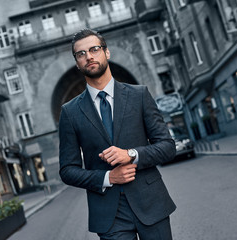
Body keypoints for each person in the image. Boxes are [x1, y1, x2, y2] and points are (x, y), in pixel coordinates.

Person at [59, 29, 176, 240]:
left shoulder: (139, 95)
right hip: (109, 214)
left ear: (107, 53)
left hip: (150, 203)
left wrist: (131, 154)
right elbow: (67, 170)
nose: (89, 56)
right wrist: (107, 177)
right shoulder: (70, 112)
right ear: (77, 63)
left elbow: (167, 146)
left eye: (94, 49)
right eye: (81, 53)